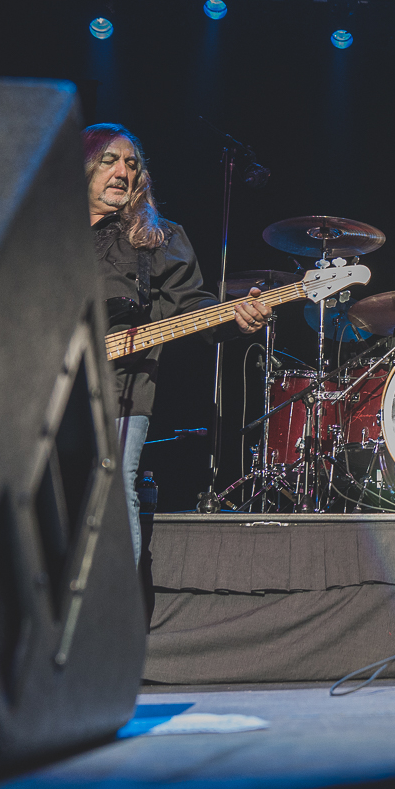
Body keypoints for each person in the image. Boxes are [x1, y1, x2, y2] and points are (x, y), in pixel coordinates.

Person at [85, 123, 268, 561]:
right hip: (42, 390)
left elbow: (193, 309)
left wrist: (234, 319)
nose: (122, 171)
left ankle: (116, 617)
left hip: (121, 393)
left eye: (132, 163)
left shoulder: (158, 239)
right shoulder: (45, 234)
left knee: (113, 487)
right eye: (109, 160)